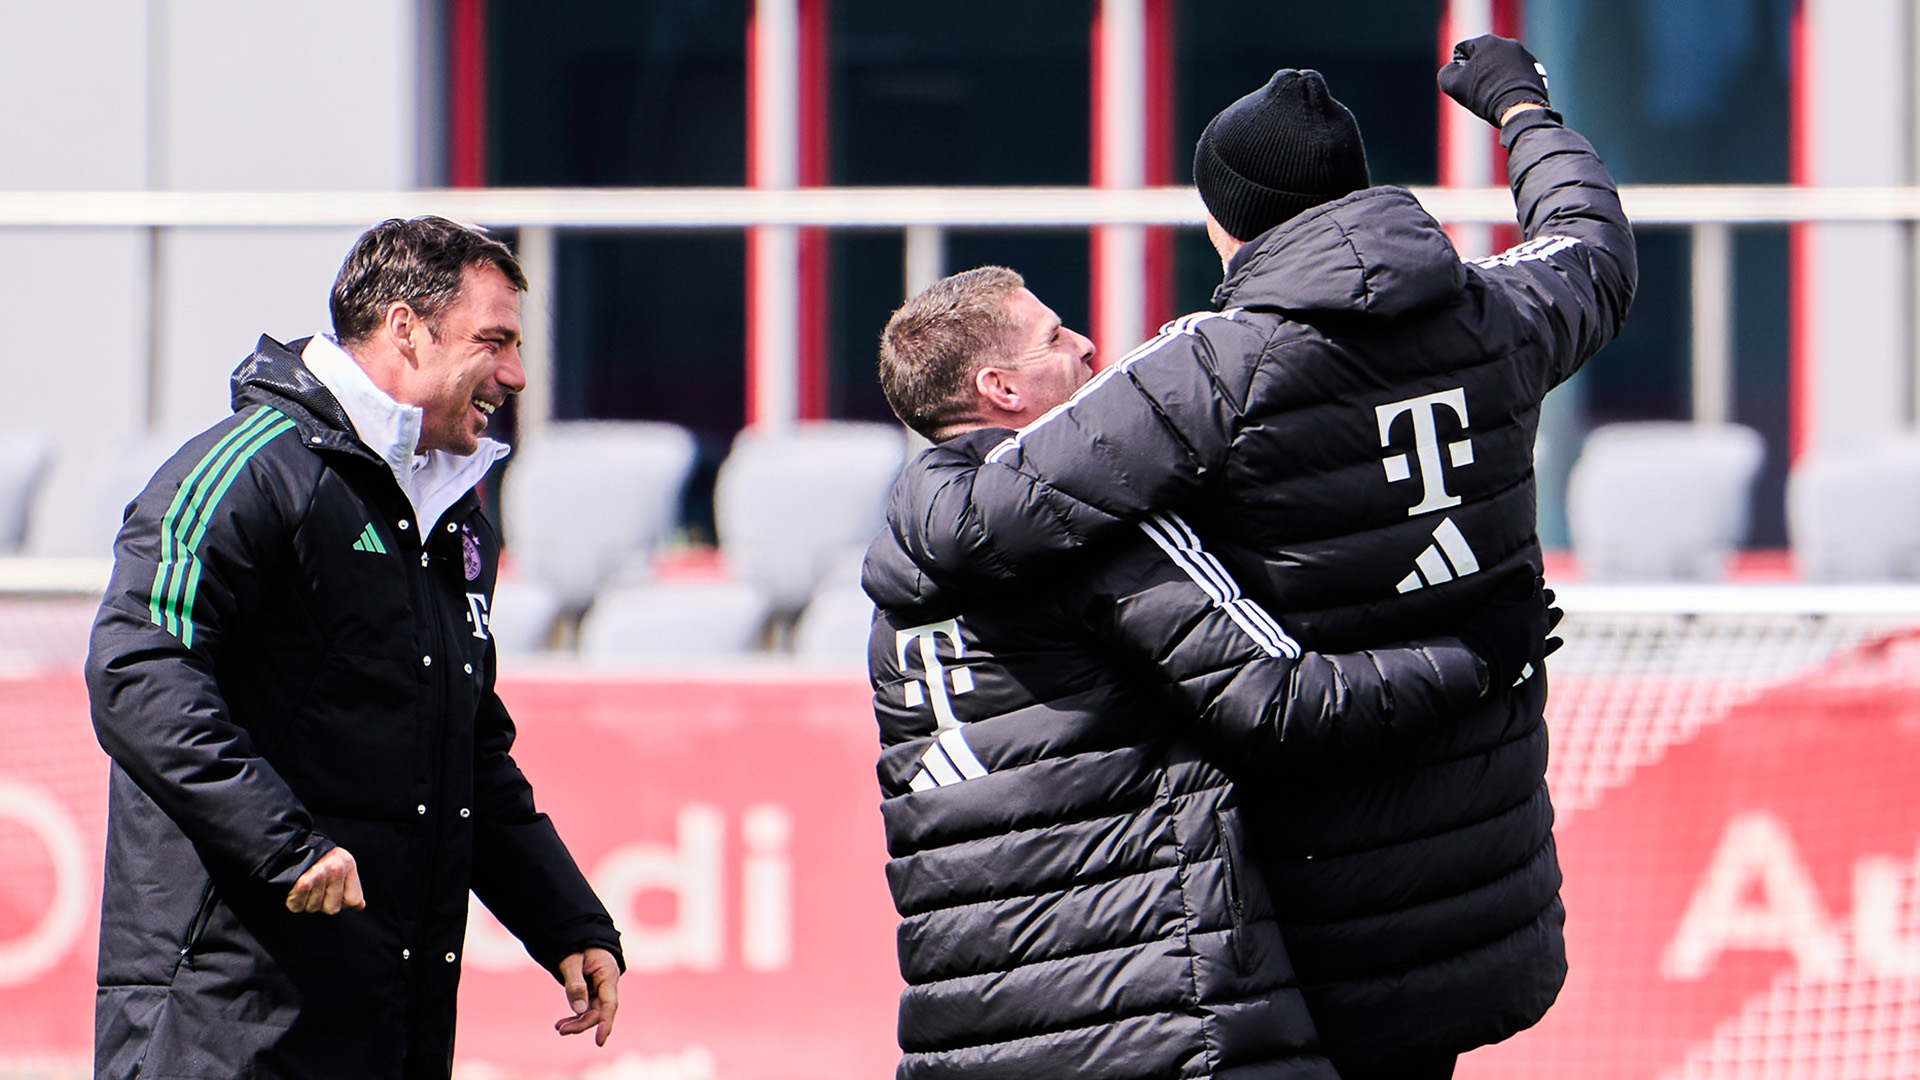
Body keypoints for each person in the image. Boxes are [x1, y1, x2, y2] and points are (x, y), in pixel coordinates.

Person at [876, 38, 1635, 1080]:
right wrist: (1521, 109)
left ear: (1224, 219)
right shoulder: (1503, 312)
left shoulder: (1210, 366)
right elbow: (1589, 240)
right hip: (1482, 878)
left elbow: (973, 521)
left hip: (1306, 904)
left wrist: (929, 472)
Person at [864, 265, 1557, 1079]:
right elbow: (1277, 705)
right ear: (999, 388)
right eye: (1054, 337)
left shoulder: (899, 579)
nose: (1088, 347)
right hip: (1152, 1004)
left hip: (969, 1029)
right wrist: (1476, 655)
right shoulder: (1089, 527)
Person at [87, 217, 624, 1080]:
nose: (515, 375)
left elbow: (470, 754)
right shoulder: (246, 470)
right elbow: (137, 670)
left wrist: (567, 923)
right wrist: (285, 843)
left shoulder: (454, 517)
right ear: (405, 328)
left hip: (383, 1013)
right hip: (221, 1017)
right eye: (494, 341)